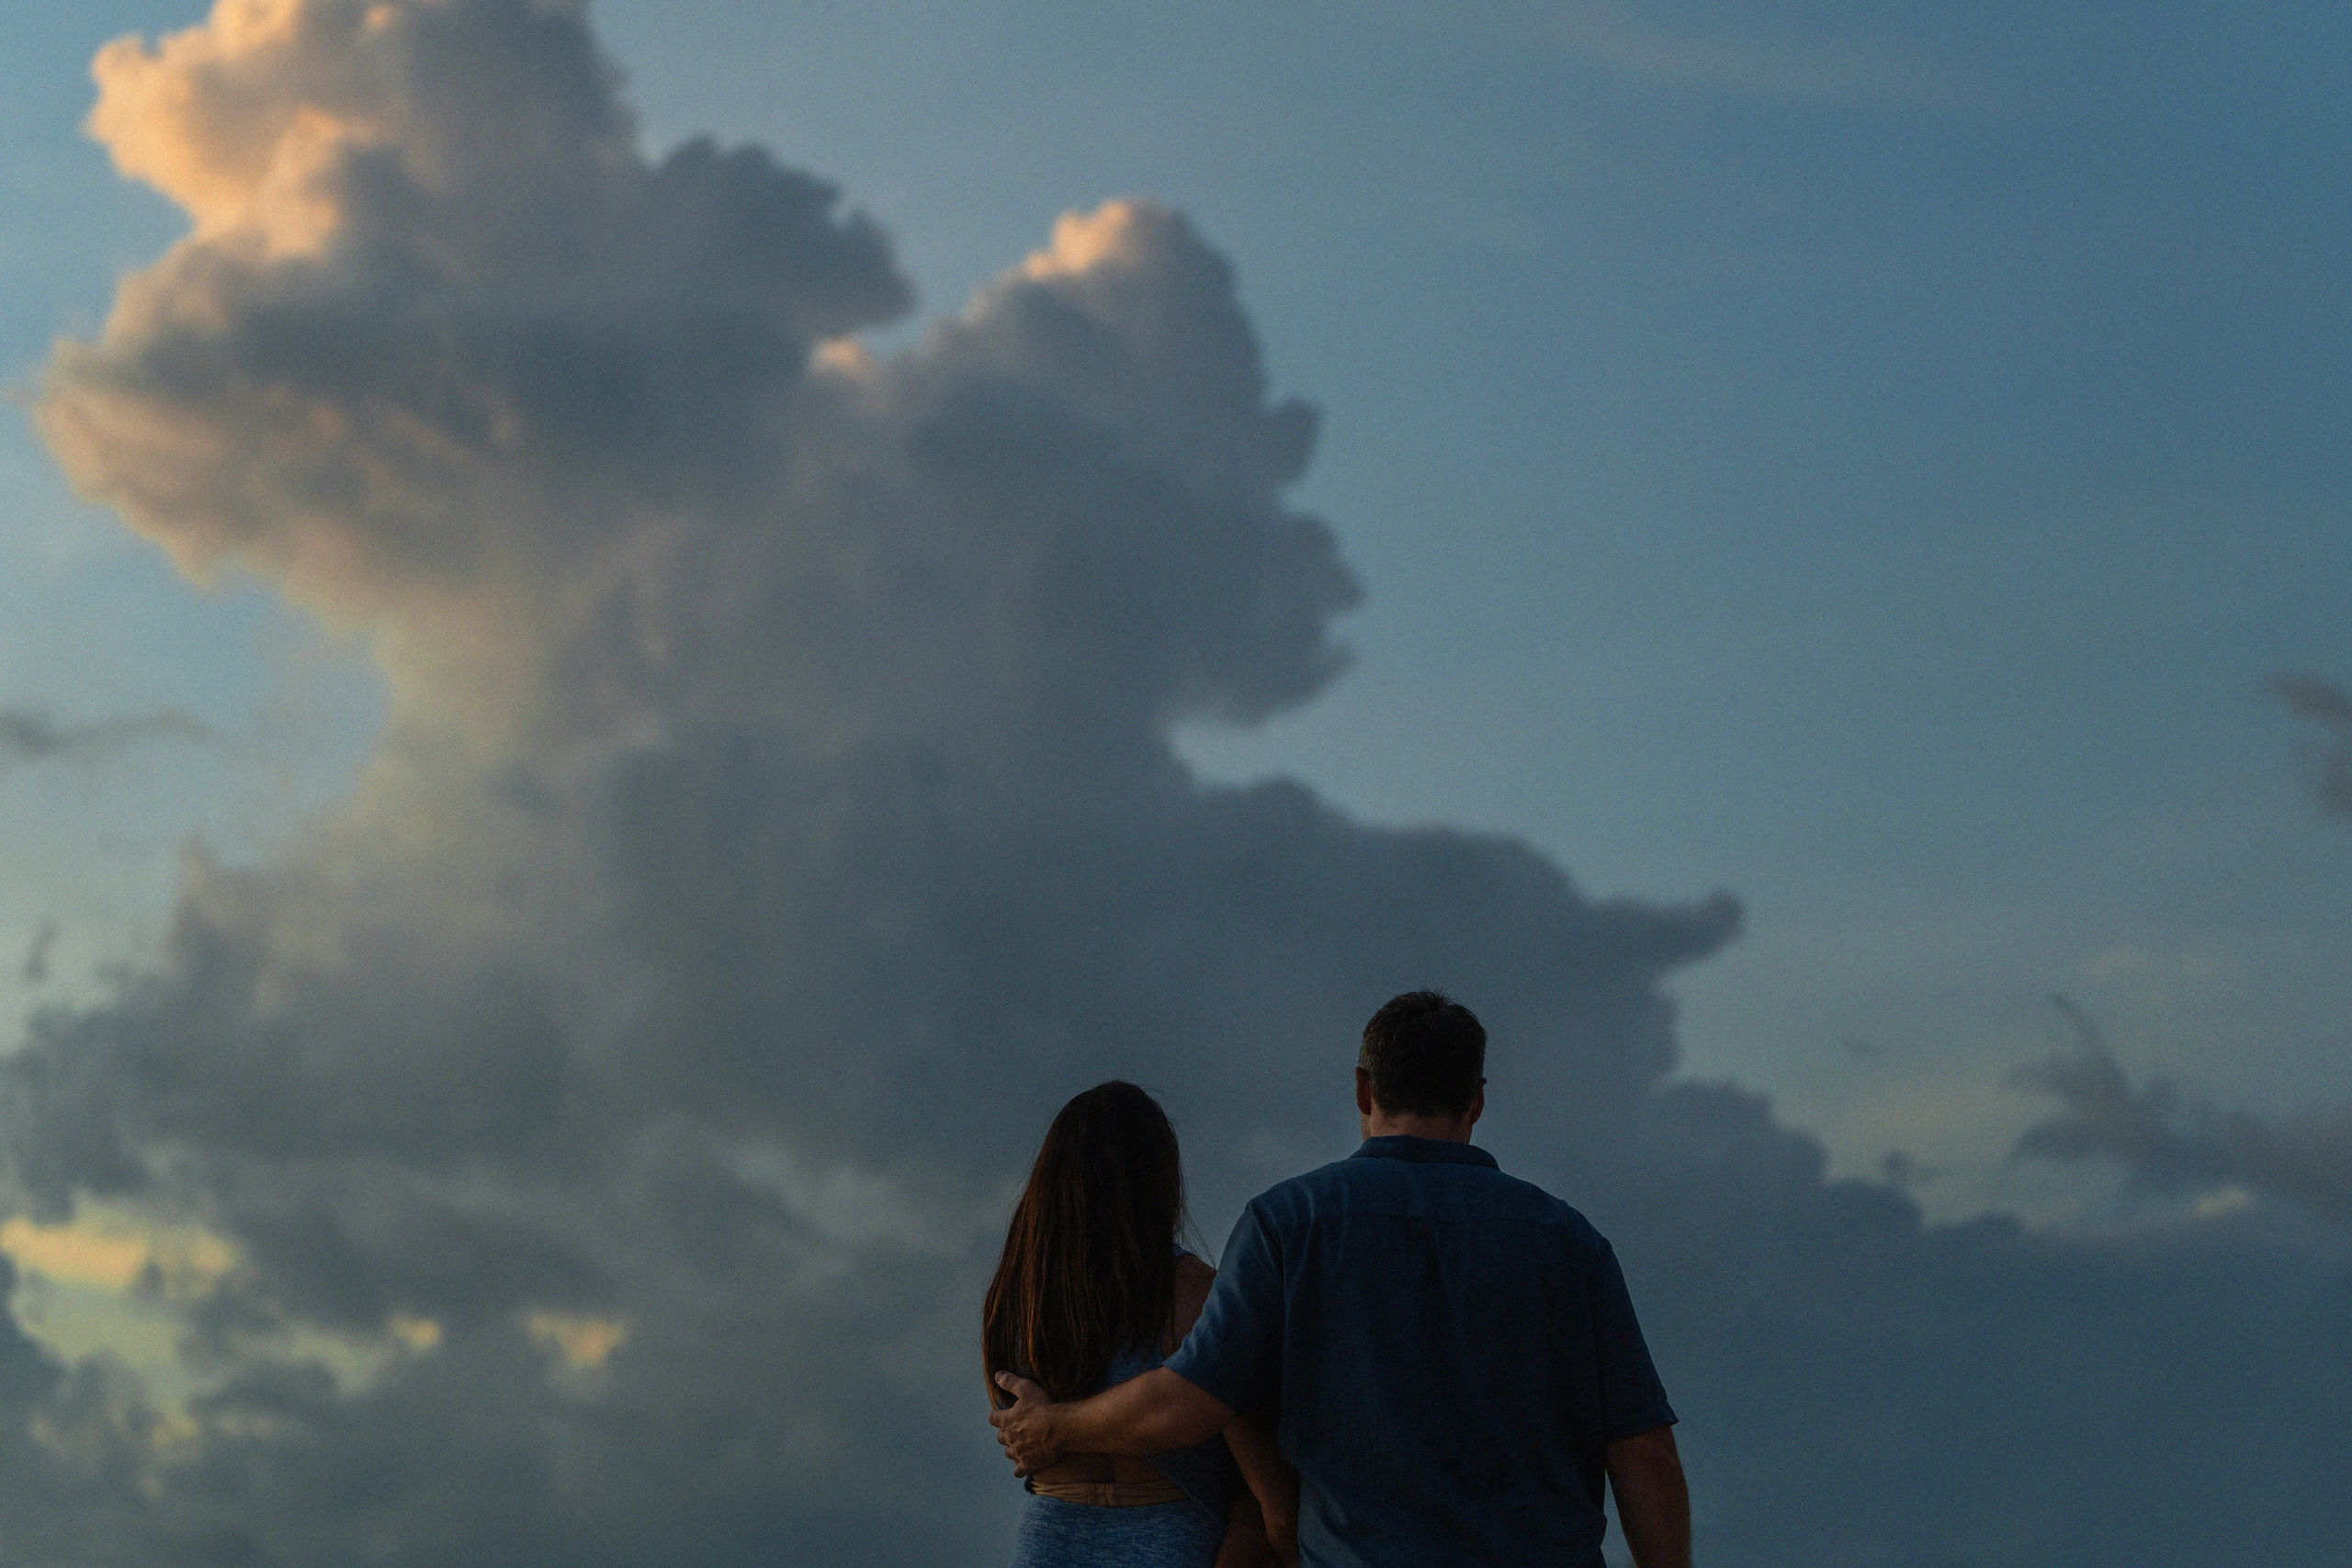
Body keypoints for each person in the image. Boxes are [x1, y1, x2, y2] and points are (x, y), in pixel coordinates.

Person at [992, 992, 1691, 1568]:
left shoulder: (1288, 1225)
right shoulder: (1569, 1242)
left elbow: (1187, 1403)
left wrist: (1054, 1425)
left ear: (1363, 1086)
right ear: (1476, 1098)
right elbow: (1645, 1452)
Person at [984, 1080, 1292, 1568]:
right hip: (1175, 1538)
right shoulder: (1197, 1296)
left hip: (1052, 1537)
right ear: (1158, 1180)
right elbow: (1268, 1496)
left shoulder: (1021, 1300)